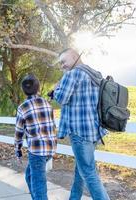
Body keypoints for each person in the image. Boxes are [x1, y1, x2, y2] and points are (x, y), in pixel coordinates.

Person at [52, 48, 110, 200]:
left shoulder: (73, 74)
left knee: (89, 174)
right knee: (81, 171)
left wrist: (55, 89)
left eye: (63, 61)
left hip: (79, 132)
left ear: (74, 56)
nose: (62, 66)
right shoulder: (95, 74)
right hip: (94, 131)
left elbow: (62, 99)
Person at [14, 74, 57, 200]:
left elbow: (19, 132)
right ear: (38, 89)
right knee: (29, 176)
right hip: (50, 148)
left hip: (37, 152)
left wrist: (18, 151)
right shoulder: (47, 104)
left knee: (38, 184)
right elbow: (52, 125)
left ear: (23, 91)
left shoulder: (23, 107)